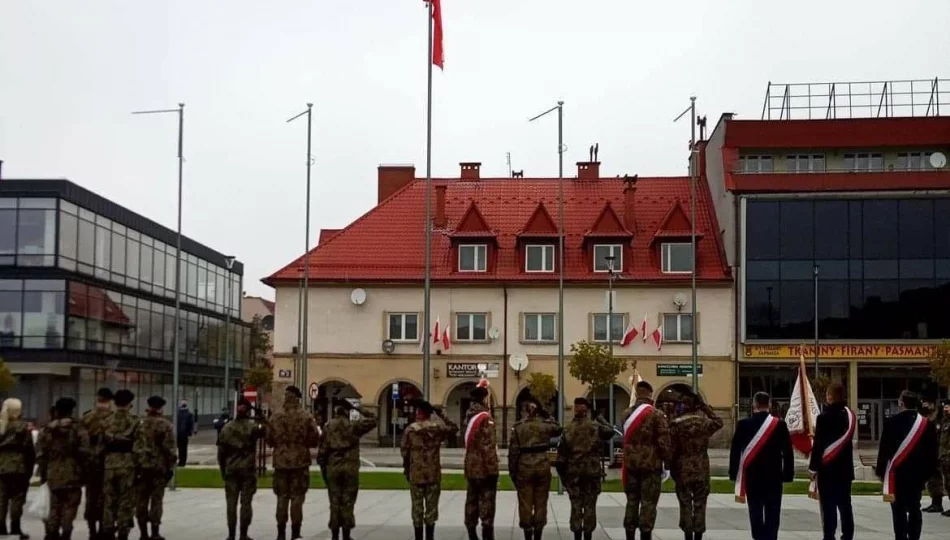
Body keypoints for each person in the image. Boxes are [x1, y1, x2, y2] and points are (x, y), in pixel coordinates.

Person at [728, 392, 794, 540]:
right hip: (774, 476)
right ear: (769, 405)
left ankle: (758, 537)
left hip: (753, 476)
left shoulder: (744, 425)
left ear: (754, 405)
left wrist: (733, 473)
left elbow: (735, 450)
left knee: (755, 512)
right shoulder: (780, 425)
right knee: (773, 512)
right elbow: (788, 451)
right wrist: (788, 473)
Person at [876, 390, 939, 540]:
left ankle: (901, 536)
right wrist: (927, 475)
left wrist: (881, 472)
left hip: (897, 475)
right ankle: (914, 536)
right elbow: (932, 453)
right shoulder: (927, 425)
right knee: (914, 508)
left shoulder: (891, 423)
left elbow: (884, 451)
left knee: (898, 510)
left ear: (901, 404)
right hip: (917, 476)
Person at [555, 397, 614, 540]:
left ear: (575, 409)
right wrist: (600, 417)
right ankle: (588, 534)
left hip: (573, 473)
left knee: (575, 505)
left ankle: (576, 534)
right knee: (590, 505)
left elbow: (561, 458)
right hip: (591, 473)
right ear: (587, 409)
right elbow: (610, 431)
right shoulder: (595, 426)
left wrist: (564, 478)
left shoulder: (568, 429)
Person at [618, 380, 671, 540]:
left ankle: (629, 534)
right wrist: (667, 461)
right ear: (649, 393)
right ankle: (645, 535)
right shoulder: (656, 414)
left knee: (632, 502)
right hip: (650, 466)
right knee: (648, 503)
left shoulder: (626, 414)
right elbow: (664, 443)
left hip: (630, 465)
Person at [265, 386, 319, 540]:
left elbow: (269, 439)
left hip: (281, 462)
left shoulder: (275, 416)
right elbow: (314, 438)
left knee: (282, 497)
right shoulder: (305, 416)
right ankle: (295, 532)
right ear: (298, 398)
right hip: (300, 462)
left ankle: (281, 532)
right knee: (297, 498)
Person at [669, 389, 723, 540]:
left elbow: (671, 450)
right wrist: (705, 408)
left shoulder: (676, 424)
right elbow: (719, 422)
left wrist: (671, 468)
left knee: (685, 503)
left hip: (683, 468)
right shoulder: (704, 423)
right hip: (701, 468)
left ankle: (688, 534)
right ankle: (698, 534)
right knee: (700, 503)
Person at [321, 399, 377, 540]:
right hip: (350, 468)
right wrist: (358, 408)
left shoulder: (328, 427)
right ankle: (346, 534)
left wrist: (324, 471)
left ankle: (335, 535)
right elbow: (373, 419)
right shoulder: (354, 426)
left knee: (334, 502)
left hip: (333, 467)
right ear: (347, 412)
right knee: (348, 502)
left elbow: (322, 453)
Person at [401, 400, 458, 540]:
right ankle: (430, 537)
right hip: (433, 474)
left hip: (417, 473)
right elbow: (454, 428)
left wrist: (407, 469)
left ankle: (418, 537)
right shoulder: (437, 429)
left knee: (417, 508)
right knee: (431, 509)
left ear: (419, 413)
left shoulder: (410, 430)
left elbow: (405, 453)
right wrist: (441, 415)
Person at [36, 398, 91, 540]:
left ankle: (51, 532)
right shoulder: (78, 428)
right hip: (73, 471)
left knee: (54, 505)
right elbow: (85, 452)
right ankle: (66, 531)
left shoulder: (47, 429)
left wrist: (43, 473)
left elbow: (41, 453)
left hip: (53, 471)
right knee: (71, 505)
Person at [808, 382, 856, 540]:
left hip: (827, 468)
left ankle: (829, 535)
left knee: (828, 505)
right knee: (845, 505)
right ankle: (847, 534)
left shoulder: (823, 417)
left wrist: (813, 468)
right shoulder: (849, 416)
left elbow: (820, 445)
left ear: (830, 396)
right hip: (845, 469)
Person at [508, 396, 561, 540]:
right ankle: (538, 532)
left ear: (525, 411)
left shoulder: (518, 427)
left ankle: (527, 532)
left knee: (525, 502)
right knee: (541, 501)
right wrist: (547, 415)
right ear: (538, 411)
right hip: (542, 466)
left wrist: (512, 472)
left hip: (524, 467)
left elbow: (513, 452)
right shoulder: (545, 425)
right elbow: (558, 428)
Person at [218, 398, 266, 540]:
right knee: (246, 503)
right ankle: (243, 534)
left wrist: (223, 469)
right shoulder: (252, 427)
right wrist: (261, 417)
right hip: (247, 470)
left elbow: (221, 452)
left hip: (231, 469)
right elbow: (266, 431)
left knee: (231, 503)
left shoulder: (227, 428)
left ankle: (231, 535)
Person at [133, 396, 177, 540]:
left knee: (141, 500)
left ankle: (143, 533)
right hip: (158, 467)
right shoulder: (165, 425)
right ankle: (155, 532)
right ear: (161, 408)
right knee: (156, 500)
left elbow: (134, 446)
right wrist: (171, 465)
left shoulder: (140, 424)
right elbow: (169, 448)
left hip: (141, 467)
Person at [101, 389, 140, 540]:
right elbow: (139, 447)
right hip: (128, 464)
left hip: (109, 464)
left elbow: (100, 446)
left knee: (109, 499)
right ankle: (123, 530)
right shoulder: (135, 422)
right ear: (130, 403)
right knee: (126, 500)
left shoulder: (106, 421)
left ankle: (108, 528)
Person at [462, 385, 499, 540]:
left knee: (471, 501)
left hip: (470, 467)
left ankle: (471, 533)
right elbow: (488, 446)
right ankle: (487, 535)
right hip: (484, 469)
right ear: (484, 398)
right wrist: (493, 471)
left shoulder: (469, 416)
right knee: (487, 503)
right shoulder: (485, 418)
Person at [0, 398, 36, 539]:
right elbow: (29, 449)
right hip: (18, 466)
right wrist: (30, 467)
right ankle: (15, 527)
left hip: (1, 466)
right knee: (17, 498)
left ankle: (1, 526)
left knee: (1, 498)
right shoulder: (22, 427)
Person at [81, 388, 114, 540]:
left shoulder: (87, 417)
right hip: (108, 462)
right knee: (108, 497)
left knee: (92, 497)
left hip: (90, 463)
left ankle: (92, 530)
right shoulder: (113, 418)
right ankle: (105, 528)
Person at [920, 396, 945, 514]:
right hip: (929, 453)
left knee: (936, 480)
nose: (925, 405)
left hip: (937, 454)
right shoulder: (927, 418)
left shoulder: (939, 419)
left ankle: (938, 503)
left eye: (927, 403)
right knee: (931, 480)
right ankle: (934, 502)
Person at [176, 401, 195, 468]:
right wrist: (190, 433)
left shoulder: (177, 413)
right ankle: (182, 461)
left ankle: (180, 461)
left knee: (179, 448)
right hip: (185, 434)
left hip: (178, 433)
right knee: (183, 448)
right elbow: (191, 424)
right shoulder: (189, 414)